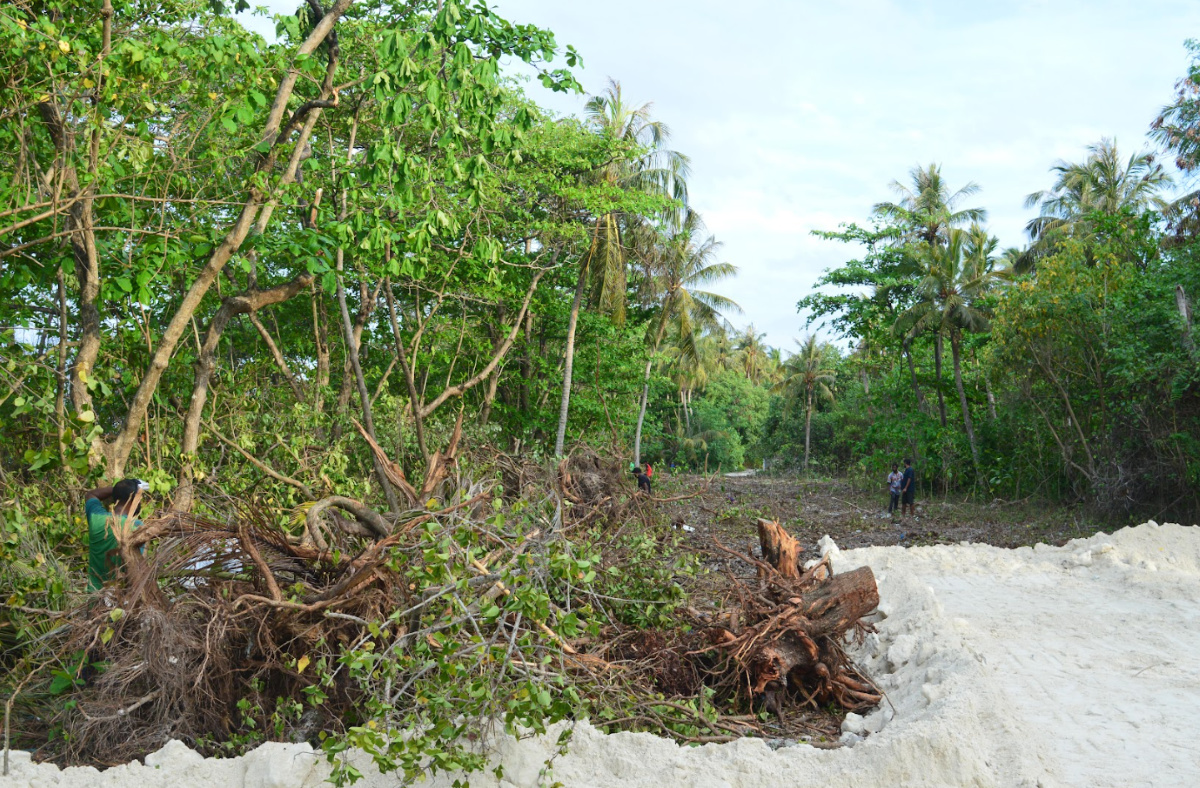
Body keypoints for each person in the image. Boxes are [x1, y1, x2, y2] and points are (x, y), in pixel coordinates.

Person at [84, 478, 149, 591]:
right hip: (122, 597)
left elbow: (91, 494)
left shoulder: (96, 518)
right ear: (133, 499)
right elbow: (137, 568)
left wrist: (119, 490)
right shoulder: (138, 527)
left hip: (95, 597)